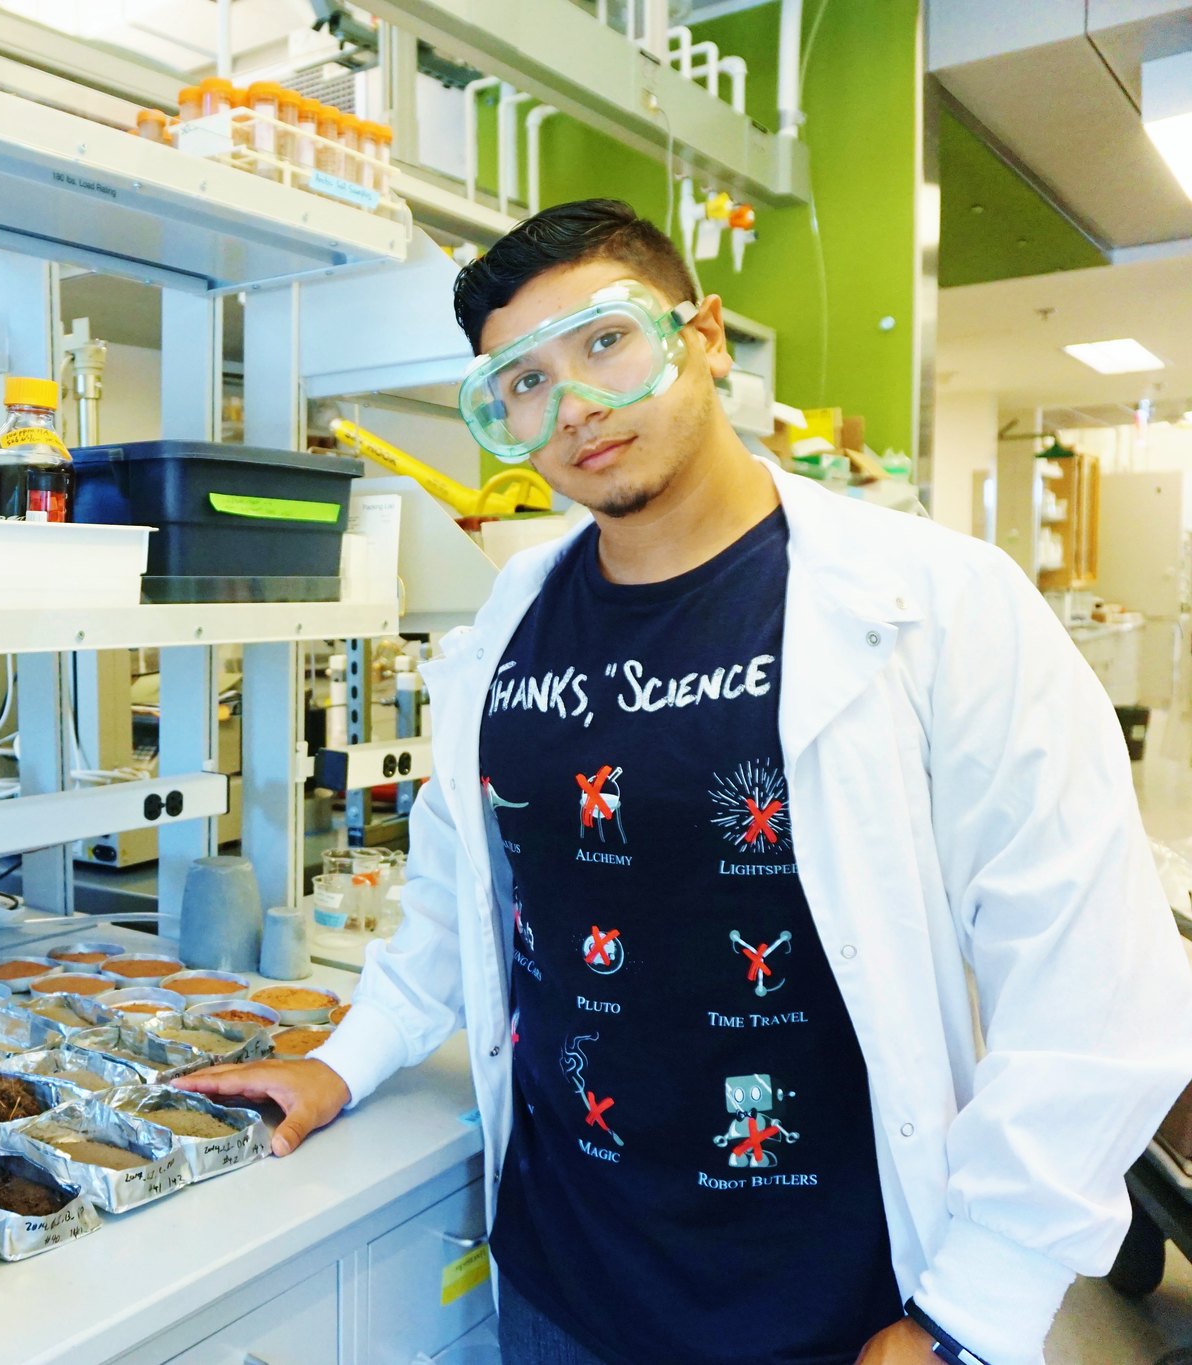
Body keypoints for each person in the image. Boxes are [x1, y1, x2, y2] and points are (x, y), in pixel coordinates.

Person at [178, 199, 1192, 1365]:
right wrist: (339, 1061)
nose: (575, 408)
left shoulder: (936, 607)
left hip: (831, 1307)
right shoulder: (505, 624)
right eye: (521, 383)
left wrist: (967, 1315)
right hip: (560, 1275)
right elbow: (463, 898)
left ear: (700, 338)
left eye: (605, 344)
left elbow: (1091, 985)